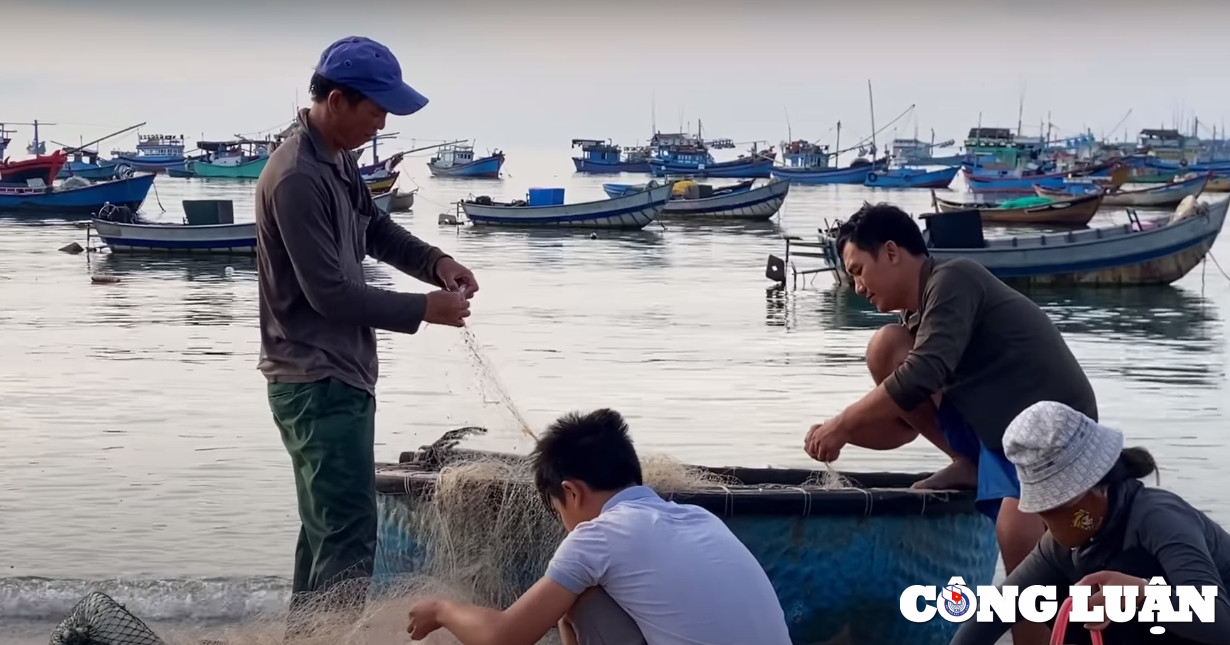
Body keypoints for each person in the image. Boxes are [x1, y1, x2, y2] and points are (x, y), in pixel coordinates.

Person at [255, 36, 477, 629]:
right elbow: (328, 294)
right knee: (349, 534)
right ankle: (331, 639)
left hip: (336, 374)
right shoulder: (297, 176)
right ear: (335, 100)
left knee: (326, 530)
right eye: (375, 110)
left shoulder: (336, 157)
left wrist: (436, 262)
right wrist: (424, 309)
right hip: (314, 378)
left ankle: (306, 639)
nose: (380, 123)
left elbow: (374, 228)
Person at [802, 203, 1099, 645]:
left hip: (1054, 435)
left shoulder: (953, 278)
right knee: (886, 347)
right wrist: (838, 434)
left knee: (1015, 533)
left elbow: (923, 374)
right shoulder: (913, 317)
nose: (857, 286)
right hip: (1001, 437)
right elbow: (902, 425)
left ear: (891, 252)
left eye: (859, 270)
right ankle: (968, 461)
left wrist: (843, 425)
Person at [406, 408, 793, 645]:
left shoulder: (598, 536)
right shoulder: (698, 517)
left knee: (577, 601)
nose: (565, 526)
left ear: (571, 493)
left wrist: (442, 610)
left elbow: (503, 637)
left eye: (558, 512)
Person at [951, 401, 1230, 645]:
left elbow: (1220, 621)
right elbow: (994, 612)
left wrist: (1146, 595)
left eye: (1061, 506)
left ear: (1098, 488)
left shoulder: (1159, 518)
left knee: (1128, 570)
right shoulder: (1059, 549)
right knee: (1056, 597)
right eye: (1045, 510)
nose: (1049, 522)